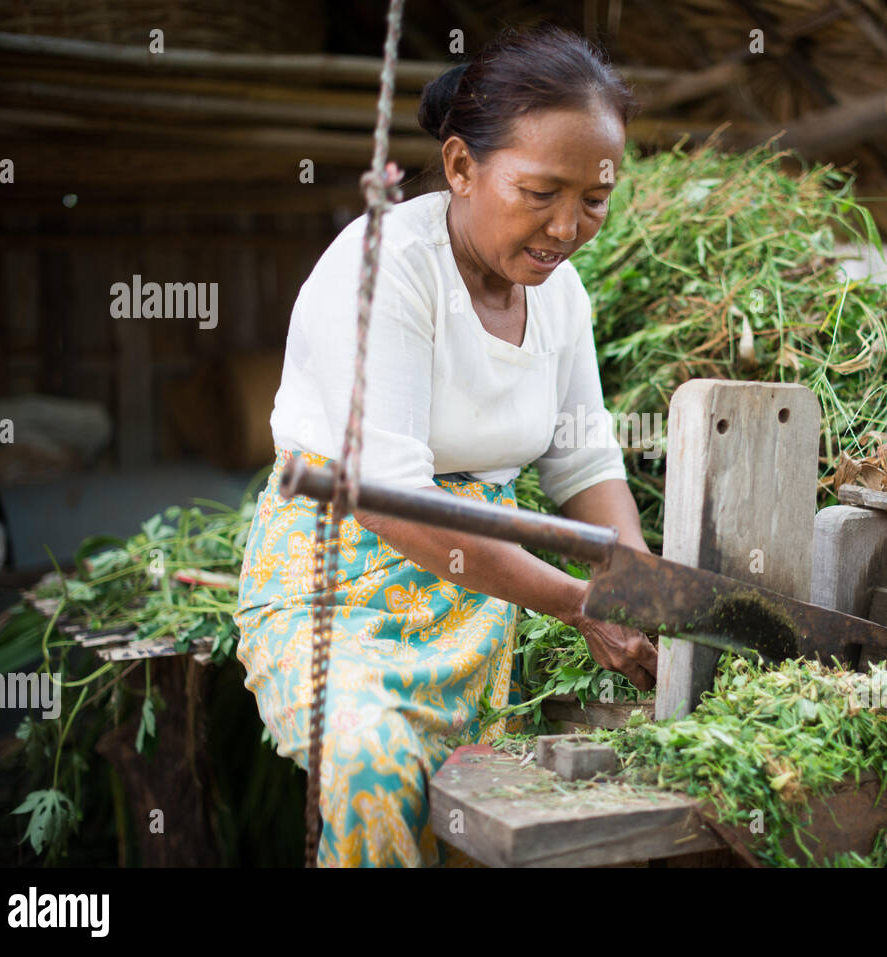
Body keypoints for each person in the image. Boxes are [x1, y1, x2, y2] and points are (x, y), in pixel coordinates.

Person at [233, 24, 658, 867]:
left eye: (595, 199)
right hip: (338, 587)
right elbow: (394, 500)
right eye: (541, 192)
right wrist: (578, 603)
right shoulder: (389, 267)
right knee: (368, 765)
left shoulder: (560, 294)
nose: (569, 225)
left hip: (477, 599)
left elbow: (582, 459)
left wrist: (638, 584)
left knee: (490, 805)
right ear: (461, 167)